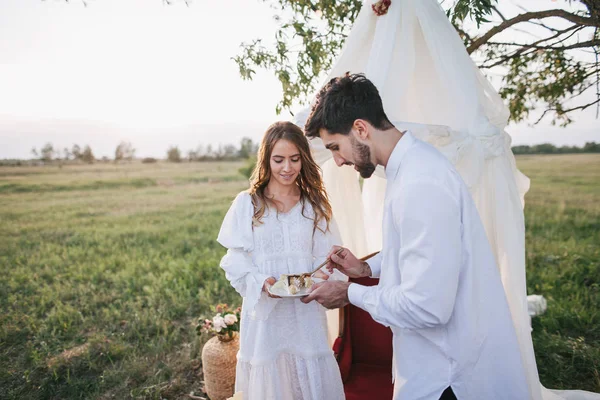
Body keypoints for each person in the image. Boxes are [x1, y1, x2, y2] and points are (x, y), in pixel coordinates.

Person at [301, 73, 530, 400]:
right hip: (430, 363)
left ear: (361, 129)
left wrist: (349, 293)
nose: (337, 160)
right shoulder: (409, 167)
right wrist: (367, 270)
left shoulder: (421, 182)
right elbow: (419, 249)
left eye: (336, 147)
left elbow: (427, 307)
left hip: (449, 375)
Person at [217, 121, 345, 400]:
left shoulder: (315, 205)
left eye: (294, 159)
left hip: (305, 314)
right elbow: (234, 258)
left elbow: (326, 257)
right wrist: (261, 282)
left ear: (304, 159)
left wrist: (321, 278)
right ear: (266, 160)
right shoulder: (248, 203)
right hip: (266, 317)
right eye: (279, 160)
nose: (287, 168)